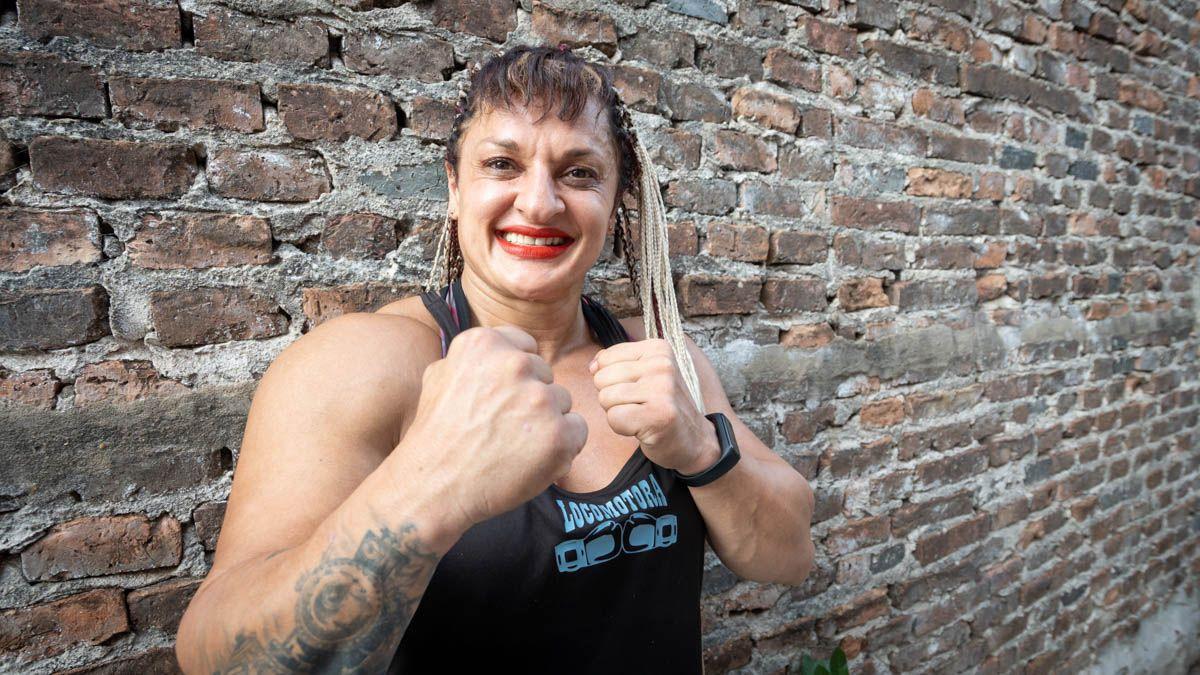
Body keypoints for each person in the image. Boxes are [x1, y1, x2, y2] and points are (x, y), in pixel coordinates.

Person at [176, 44, 816, 674]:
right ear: (455, 187)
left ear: (616, 199)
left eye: (580, 172)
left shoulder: (658, 355)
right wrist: (430, 485)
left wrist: (701, 450)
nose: (539, 203)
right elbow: (217, 660)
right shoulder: (362, 363)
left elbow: (789, 557)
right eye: (502, 164)